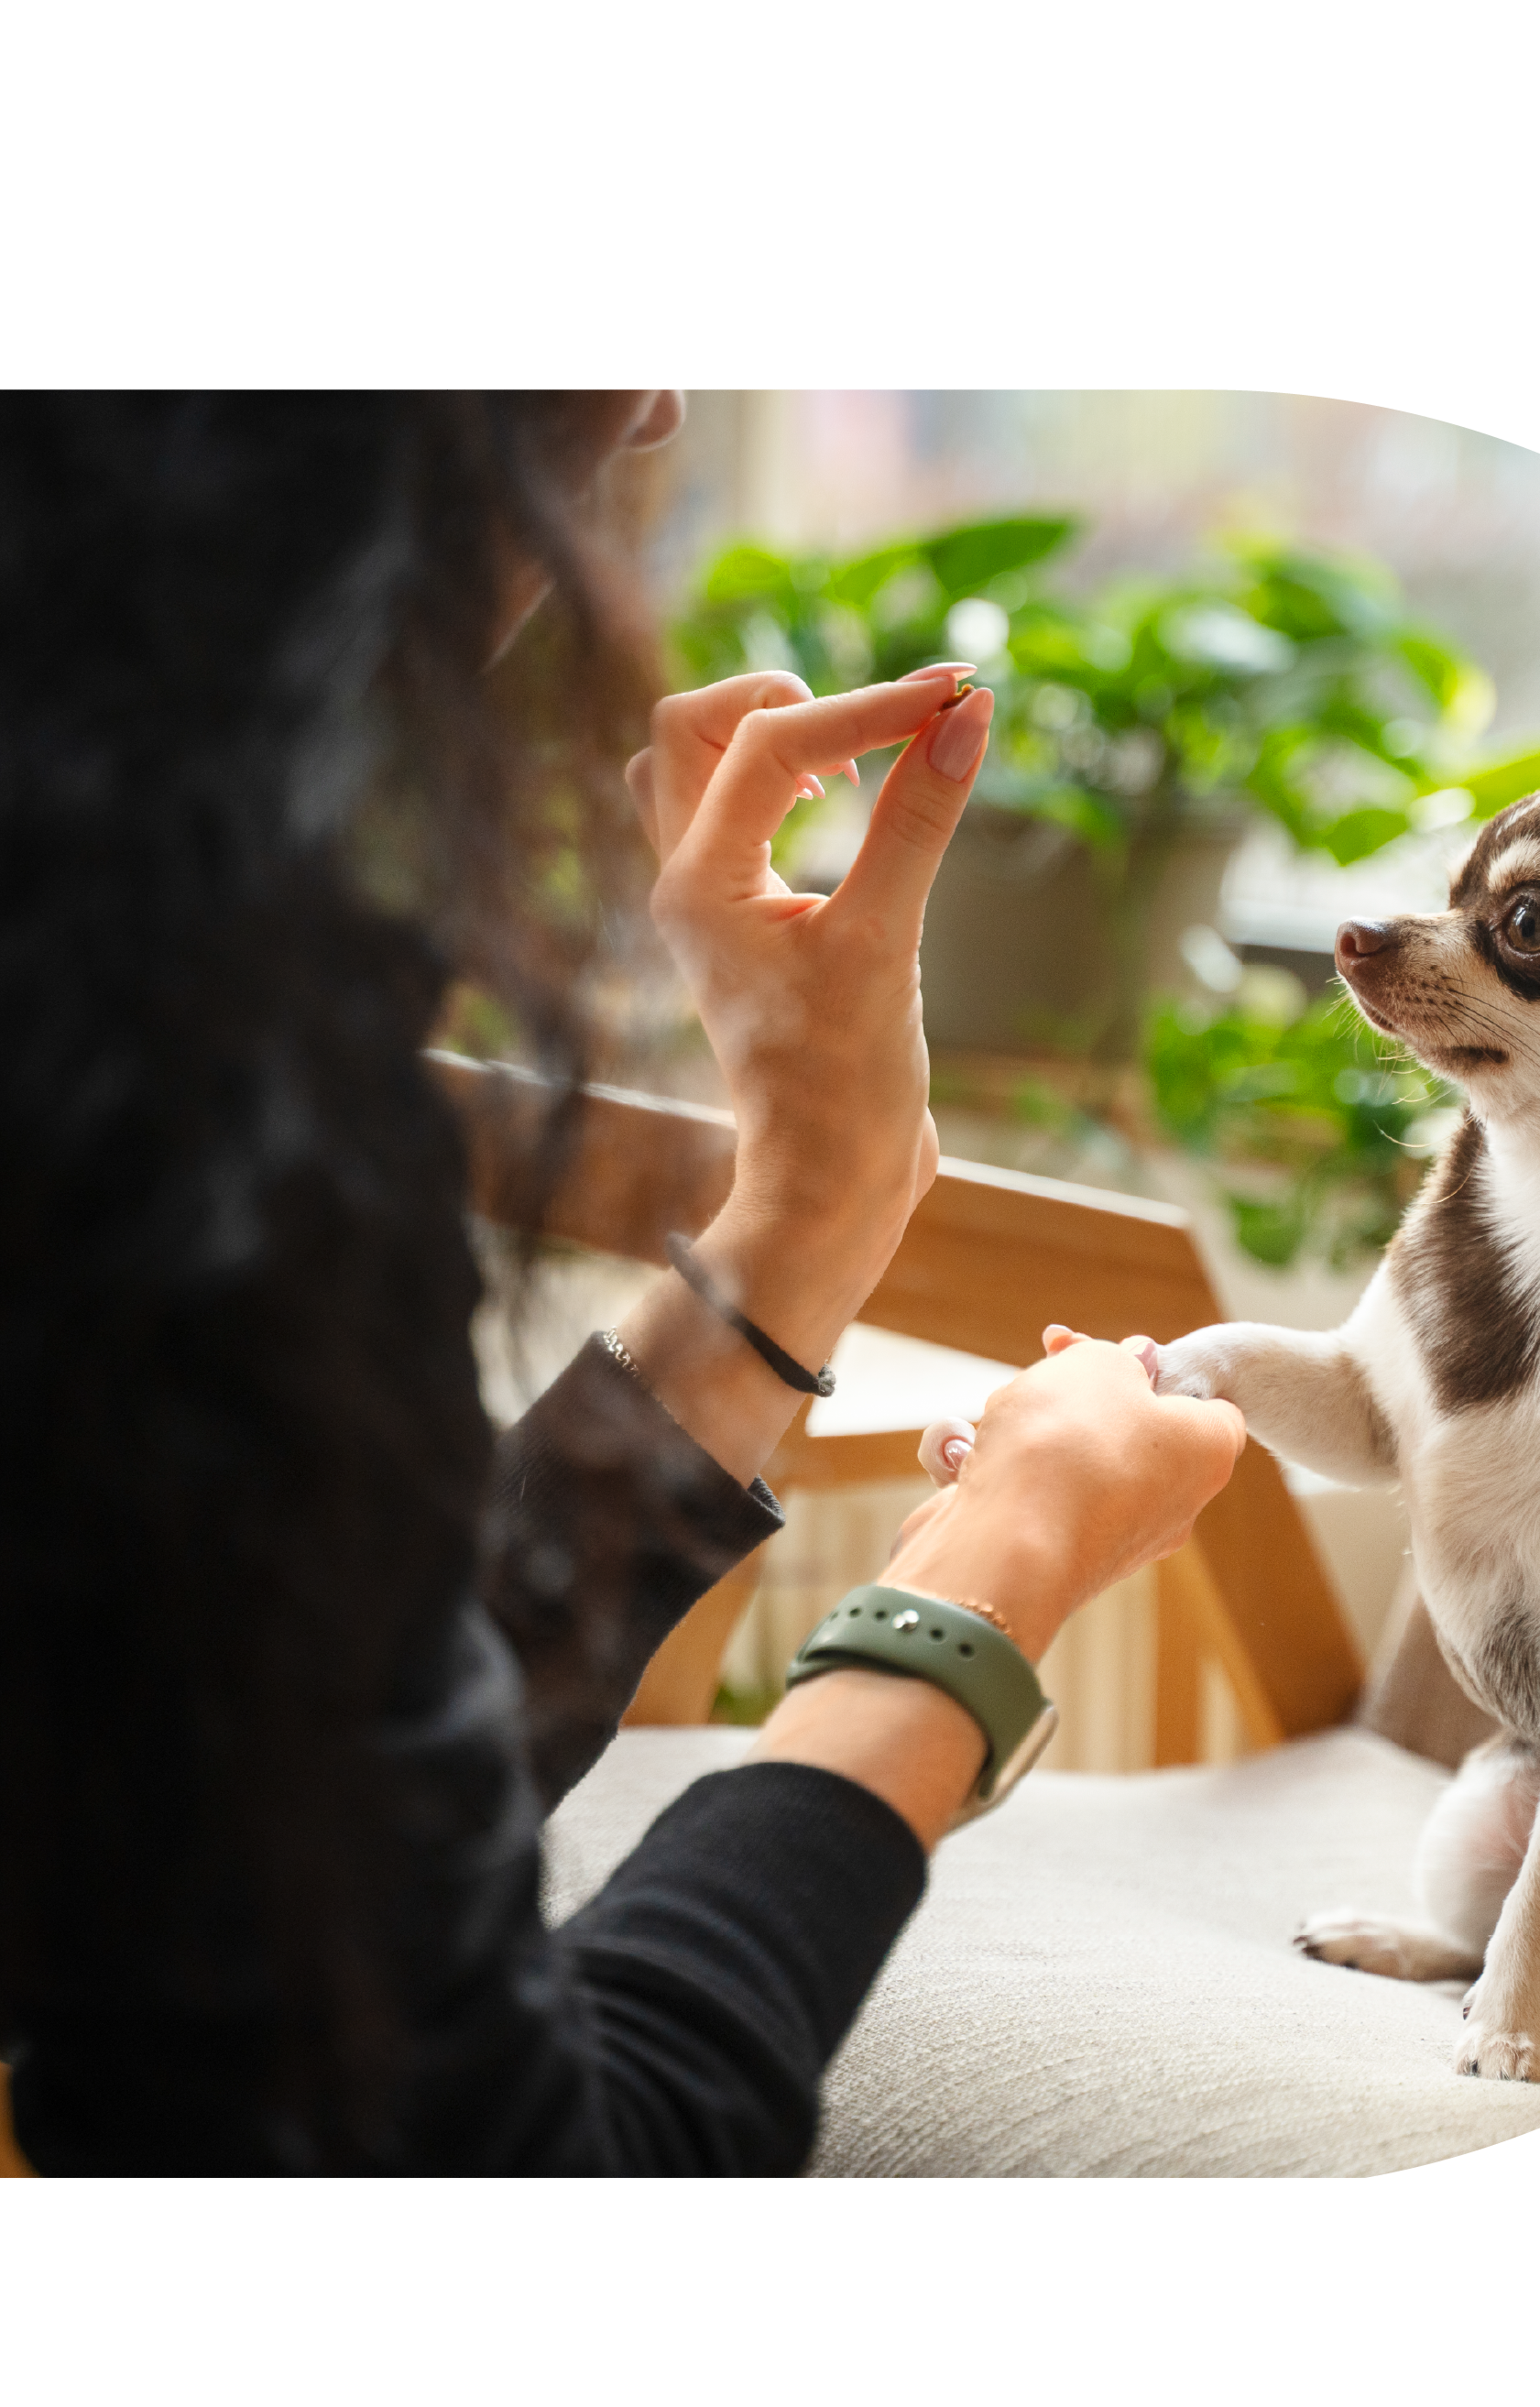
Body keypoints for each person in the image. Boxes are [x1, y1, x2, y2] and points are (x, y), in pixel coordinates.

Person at [0, 392, 1251, 2172]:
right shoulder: (162, 1079)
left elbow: (266, 1839)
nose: (655, 395)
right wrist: (989, 1572)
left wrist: (802, 1221)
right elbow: (476, 2169)